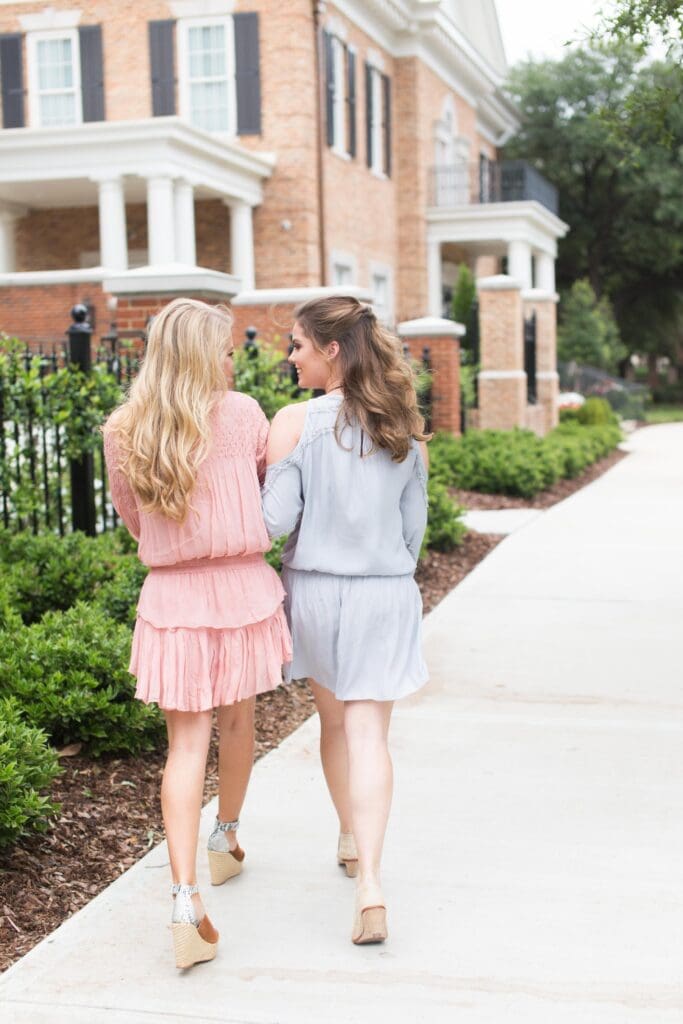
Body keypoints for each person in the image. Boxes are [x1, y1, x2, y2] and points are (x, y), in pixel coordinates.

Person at [103, 298, 291, 970]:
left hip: (172, 598)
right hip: (240, 591)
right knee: (237, 726)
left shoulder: (124, 429)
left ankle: (184, 899)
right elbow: (271, 494)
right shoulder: (241, 414)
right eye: (224, 347)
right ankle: (227, 840)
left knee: (184, 746)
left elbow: (131, 518)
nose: (231, 358)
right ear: (201, 353)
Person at [261, 295, 429, 945]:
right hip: (383, 594)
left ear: (331, 349)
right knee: (369, 736)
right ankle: (371, 884)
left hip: (316, 594)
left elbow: (273, 523)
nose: (290, 356)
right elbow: (413, 529)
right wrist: (386, 568)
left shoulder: (294, 422)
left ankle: (349, 838)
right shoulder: (401, 424)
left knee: (332, 724)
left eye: (297, 344)